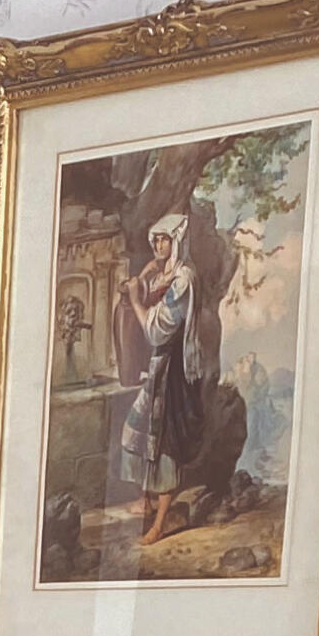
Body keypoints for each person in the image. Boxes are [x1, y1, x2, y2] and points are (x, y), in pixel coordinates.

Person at [112, 206, 219, 550]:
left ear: (177, 242)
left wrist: (134, 300)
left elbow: (157, 330)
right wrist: (146, 273)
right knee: (139, 429)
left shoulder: (184, 280)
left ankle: (160, 523)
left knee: (165, 444)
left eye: (164, 240)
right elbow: (150, 285)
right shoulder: (167, 272)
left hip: (173, 371)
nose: (158, 246)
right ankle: (144, 501)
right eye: (155, 240)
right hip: (159, 367)